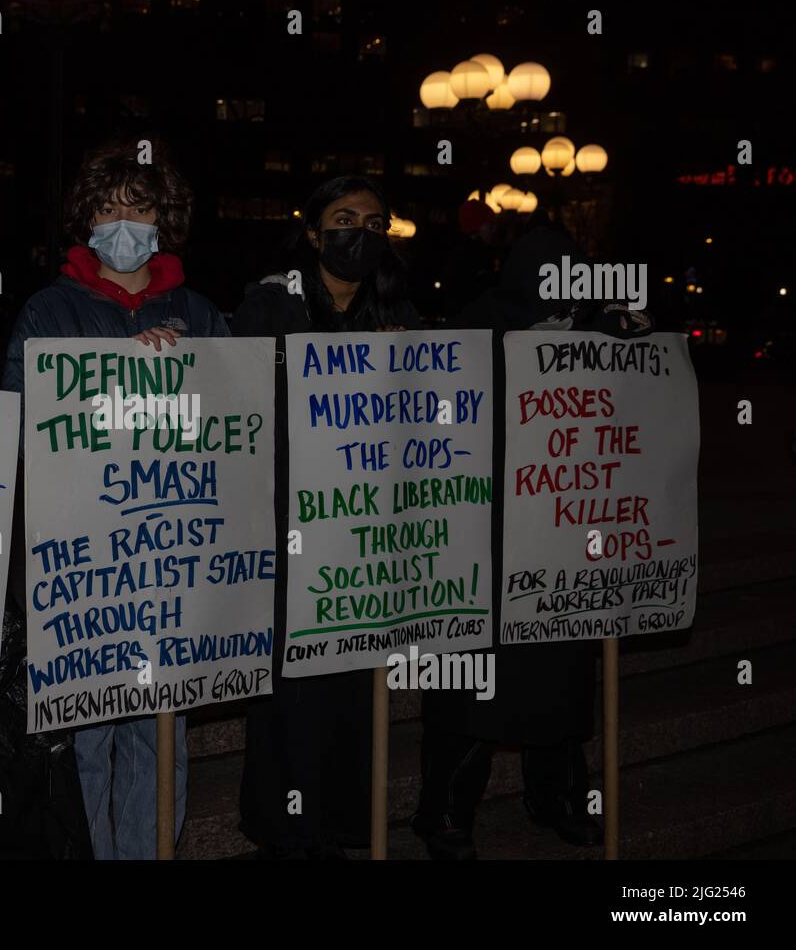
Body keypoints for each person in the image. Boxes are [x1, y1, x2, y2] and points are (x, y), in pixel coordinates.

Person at [2, 137, 230, 859]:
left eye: (139, 208)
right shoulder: (48, 311)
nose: (123, 224)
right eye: (108, 208)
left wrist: (186, 368)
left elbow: (235, 426)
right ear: (85, 220)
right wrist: (106, 375)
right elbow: (19, 422)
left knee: (161, 739)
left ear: (164, 221)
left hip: (171, 569)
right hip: (82, 571)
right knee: (87, 739)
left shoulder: (198, 310)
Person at [413, 217, 652, 860]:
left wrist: (632, 336)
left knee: (564, 690)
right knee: (471, 694)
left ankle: (559, 801)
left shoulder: (598, 332)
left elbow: (642, 414)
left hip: (562, 546)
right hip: (484, 549)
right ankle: (445, 814)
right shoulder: (472, 328)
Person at [231, 175, 418, 857]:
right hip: (288, 534)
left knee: (353, 688)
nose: (359, 232)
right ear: (313, 233)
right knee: (291, 693)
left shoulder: (401, 313)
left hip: (363, 537)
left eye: (375, 222)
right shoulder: (267, 308)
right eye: (344, 219)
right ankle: (284, 826)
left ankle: (345, 821)